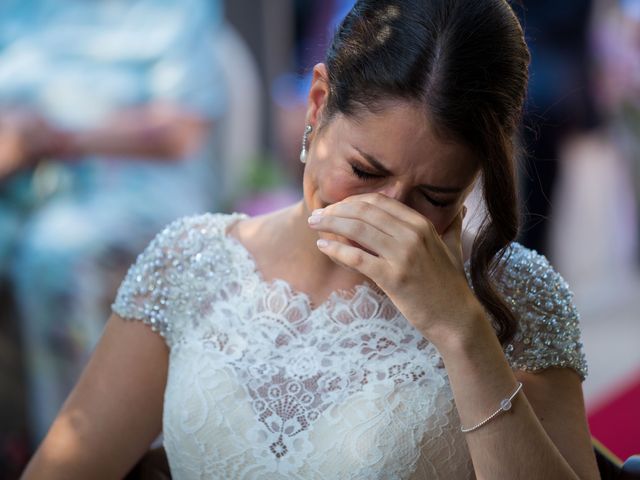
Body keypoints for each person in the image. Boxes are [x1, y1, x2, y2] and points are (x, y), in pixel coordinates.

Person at [22, 0, 601, 478]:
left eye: (435, 198)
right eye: (366, 172)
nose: (386, 215)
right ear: (318, 105)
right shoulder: (192, 262)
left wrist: (461, 331)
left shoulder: (519, 296)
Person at [0, 0, 226, 445]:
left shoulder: (176, 10)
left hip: (130, 190)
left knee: (54, 255)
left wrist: (57, 139)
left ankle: (74, 453)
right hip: (20, 187)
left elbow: (178, 132)